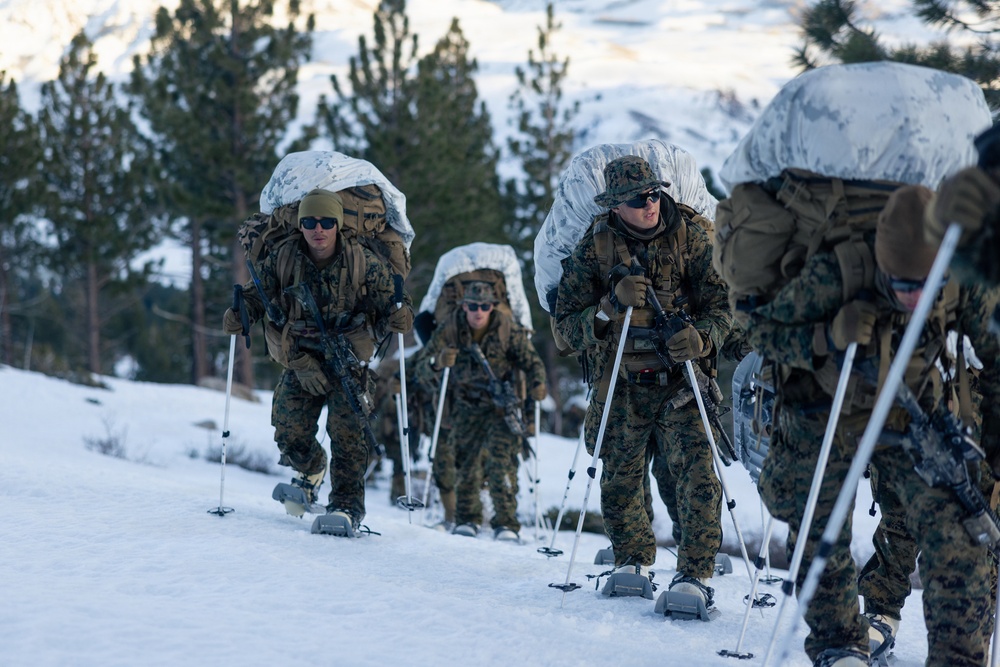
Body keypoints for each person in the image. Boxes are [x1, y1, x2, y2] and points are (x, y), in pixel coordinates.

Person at [745, 184, 1000, 667]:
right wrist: (826, 335)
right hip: (829, 408)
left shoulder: (961, 276)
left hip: (913, 412)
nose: (913, 298)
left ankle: (959, 657)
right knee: (817, 525)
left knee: (962, 532)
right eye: (901, 287)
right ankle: (840, 642)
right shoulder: (837, 271)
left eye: (924, 285)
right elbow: (762, 331)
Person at [554, 155, 732, 603]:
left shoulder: (692, 238)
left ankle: (695, 574)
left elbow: (725, 306)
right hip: (621, 384)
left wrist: (701, 338)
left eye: (654, 193)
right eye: (638, 198)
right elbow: (563, 331)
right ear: (616, 205)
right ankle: (632, 560)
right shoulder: (593, 249)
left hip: (681, 382)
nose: (650, 204)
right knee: (620, 479)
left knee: (696, 480)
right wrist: (608, 306)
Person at [222, 188, 414, 533]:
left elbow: (394, 301)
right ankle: (311, 469)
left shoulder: (361, 260)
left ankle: (346, 506)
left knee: (348, 432)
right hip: (302, 358)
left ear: (338, 224)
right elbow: (256, 294)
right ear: (301, 225)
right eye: (310, 221)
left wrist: (401, 316)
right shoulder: (284, 257)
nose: (318, 229)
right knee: (288, 429)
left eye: (327, 221)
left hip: (349, 358)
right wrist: (241, 314)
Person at [415, 280, 546, 541]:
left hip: (501, 408)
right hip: (465, 407)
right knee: (467, 465)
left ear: (493, 307)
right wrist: (437, 363)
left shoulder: (507, 329)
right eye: (473, 306)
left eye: (484, 306)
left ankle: (506, 523)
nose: (478, 311)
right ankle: (467, 519)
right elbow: (421, 367)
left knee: (502, 464)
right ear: (464, 306)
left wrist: (538, 384)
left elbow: (532, 362)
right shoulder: (450, 328)